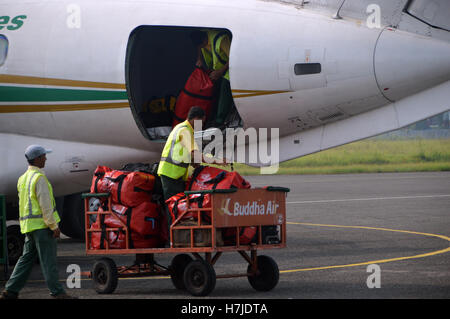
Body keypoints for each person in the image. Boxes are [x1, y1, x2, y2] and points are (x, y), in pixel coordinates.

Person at [0, 145, 76, 299]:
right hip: (43, 227)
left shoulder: (23, 178)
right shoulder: (39, 178)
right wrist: (53, 226)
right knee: (49, 262)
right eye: (43, 156)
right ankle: (57, 293)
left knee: (25, 260)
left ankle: (10, 290)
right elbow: (45, 205)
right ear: (37, 159)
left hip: (29, 228)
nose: (46, 158)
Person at [157, 106, 226, 237]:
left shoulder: (183, 129)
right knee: (174, 207)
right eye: (202, 122)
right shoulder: (185, 131)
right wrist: (218, 161)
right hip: (171, 174)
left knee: (178, 206)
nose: (202, 125)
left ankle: (177, 236)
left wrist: (195, 163)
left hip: (174, 174)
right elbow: (195, 154)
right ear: (195, 119)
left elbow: (191, 156)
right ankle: (173, 238)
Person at [192, 30, 234, 128]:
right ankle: (210, 118)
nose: (202, 48)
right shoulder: (202, 36)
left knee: (224, 88)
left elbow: (233, 57)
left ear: (204, 39)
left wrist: (220, 72)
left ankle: (220, 121)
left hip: (230, 68)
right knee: (212, 89)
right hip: (218, 69)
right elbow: (199, 47)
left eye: (202, 45)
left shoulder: (221, 40)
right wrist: (199, 59)